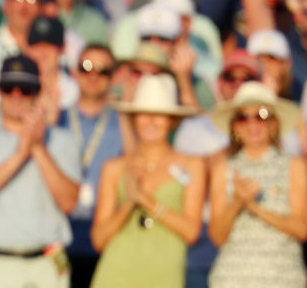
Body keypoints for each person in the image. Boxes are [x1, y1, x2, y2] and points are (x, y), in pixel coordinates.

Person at [0, 55, 80, 287]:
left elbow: (68, 202)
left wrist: (38, 147)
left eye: (25, 89)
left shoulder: (63, 141)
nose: (16, 96)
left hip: (46, 264)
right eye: (8, 88)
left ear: (37, 92)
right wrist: (20, 155)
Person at [89, 74, 205, 288]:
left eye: (159, 115)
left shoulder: (192, 165)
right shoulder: (115, 168)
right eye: (144, 114)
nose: (151, 121)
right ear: (134, 118)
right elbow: (98, 239)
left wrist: (147, 201)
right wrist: (128, 204)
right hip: (115, 277)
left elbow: (191, 233)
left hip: (164, 278)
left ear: (172, 120)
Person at [207, 81, 306, 287]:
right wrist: (237, 203)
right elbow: (217, 236)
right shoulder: (223, 169)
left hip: (283, 279)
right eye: (243, 117)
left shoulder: (293, 166)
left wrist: (255, 208)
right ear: (234, 126)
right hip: (231, 279)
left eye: (261, 115)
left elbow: (303, 229)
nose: (252, 124)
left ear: (273, 123)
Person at [58, 46, 123, 288]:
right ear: (74, 72)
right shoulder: (59, 118)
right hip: (61, 236)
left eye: (103, 70)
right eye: (86, 68)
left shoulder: (122, 122)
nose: (93, 76)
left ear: (113, 77)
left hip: (104, 238)